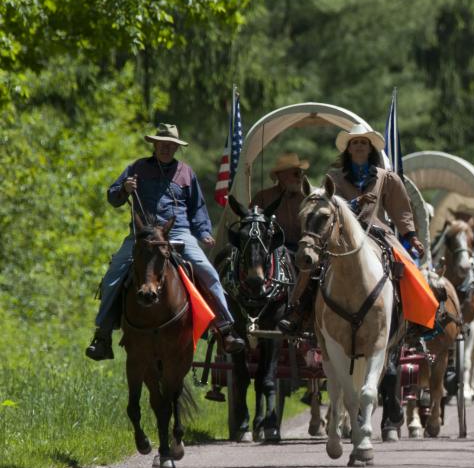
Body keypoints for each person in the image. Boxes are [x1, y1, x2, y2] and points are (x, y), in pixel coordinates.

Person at [85, 123, 246, 361]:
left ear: (175, 147)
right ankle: (103, 335)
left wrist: (202, 232)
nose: (166, 149)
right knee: (113, 273)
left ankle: (225, 329)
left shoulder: (186, 172)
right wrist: (124, 188)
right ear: (155, 145)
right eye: (162, 144)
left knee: (207, 271)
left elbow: (197, 207)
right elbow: (113, 196)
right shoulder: (137, 167)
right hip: (143, 235)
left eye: (171, 145)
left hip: (178, 232)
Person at [326, 124, 424, 258]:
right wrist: (356, 202)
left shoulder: (387, 177)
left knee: (407, 265)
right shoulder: (334, 178)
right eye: (355, 142)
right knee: (316, 266)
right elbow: (330, 205)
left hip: (379, 233)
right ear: (349, 149)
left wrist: (412, 238)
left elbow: (400, 209)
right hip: (344, 233)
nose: (359, 145)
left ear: (370, 149)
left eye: (363, 142)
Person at [249, 151, 310, 252]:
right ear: (281, 176)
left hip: (303, 252)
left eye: (301, 173)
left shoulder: (307, 198)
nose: (300, 178)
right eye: (296, 173)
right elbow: (251, 227)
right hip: (271, 251)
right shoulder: (262, 197)